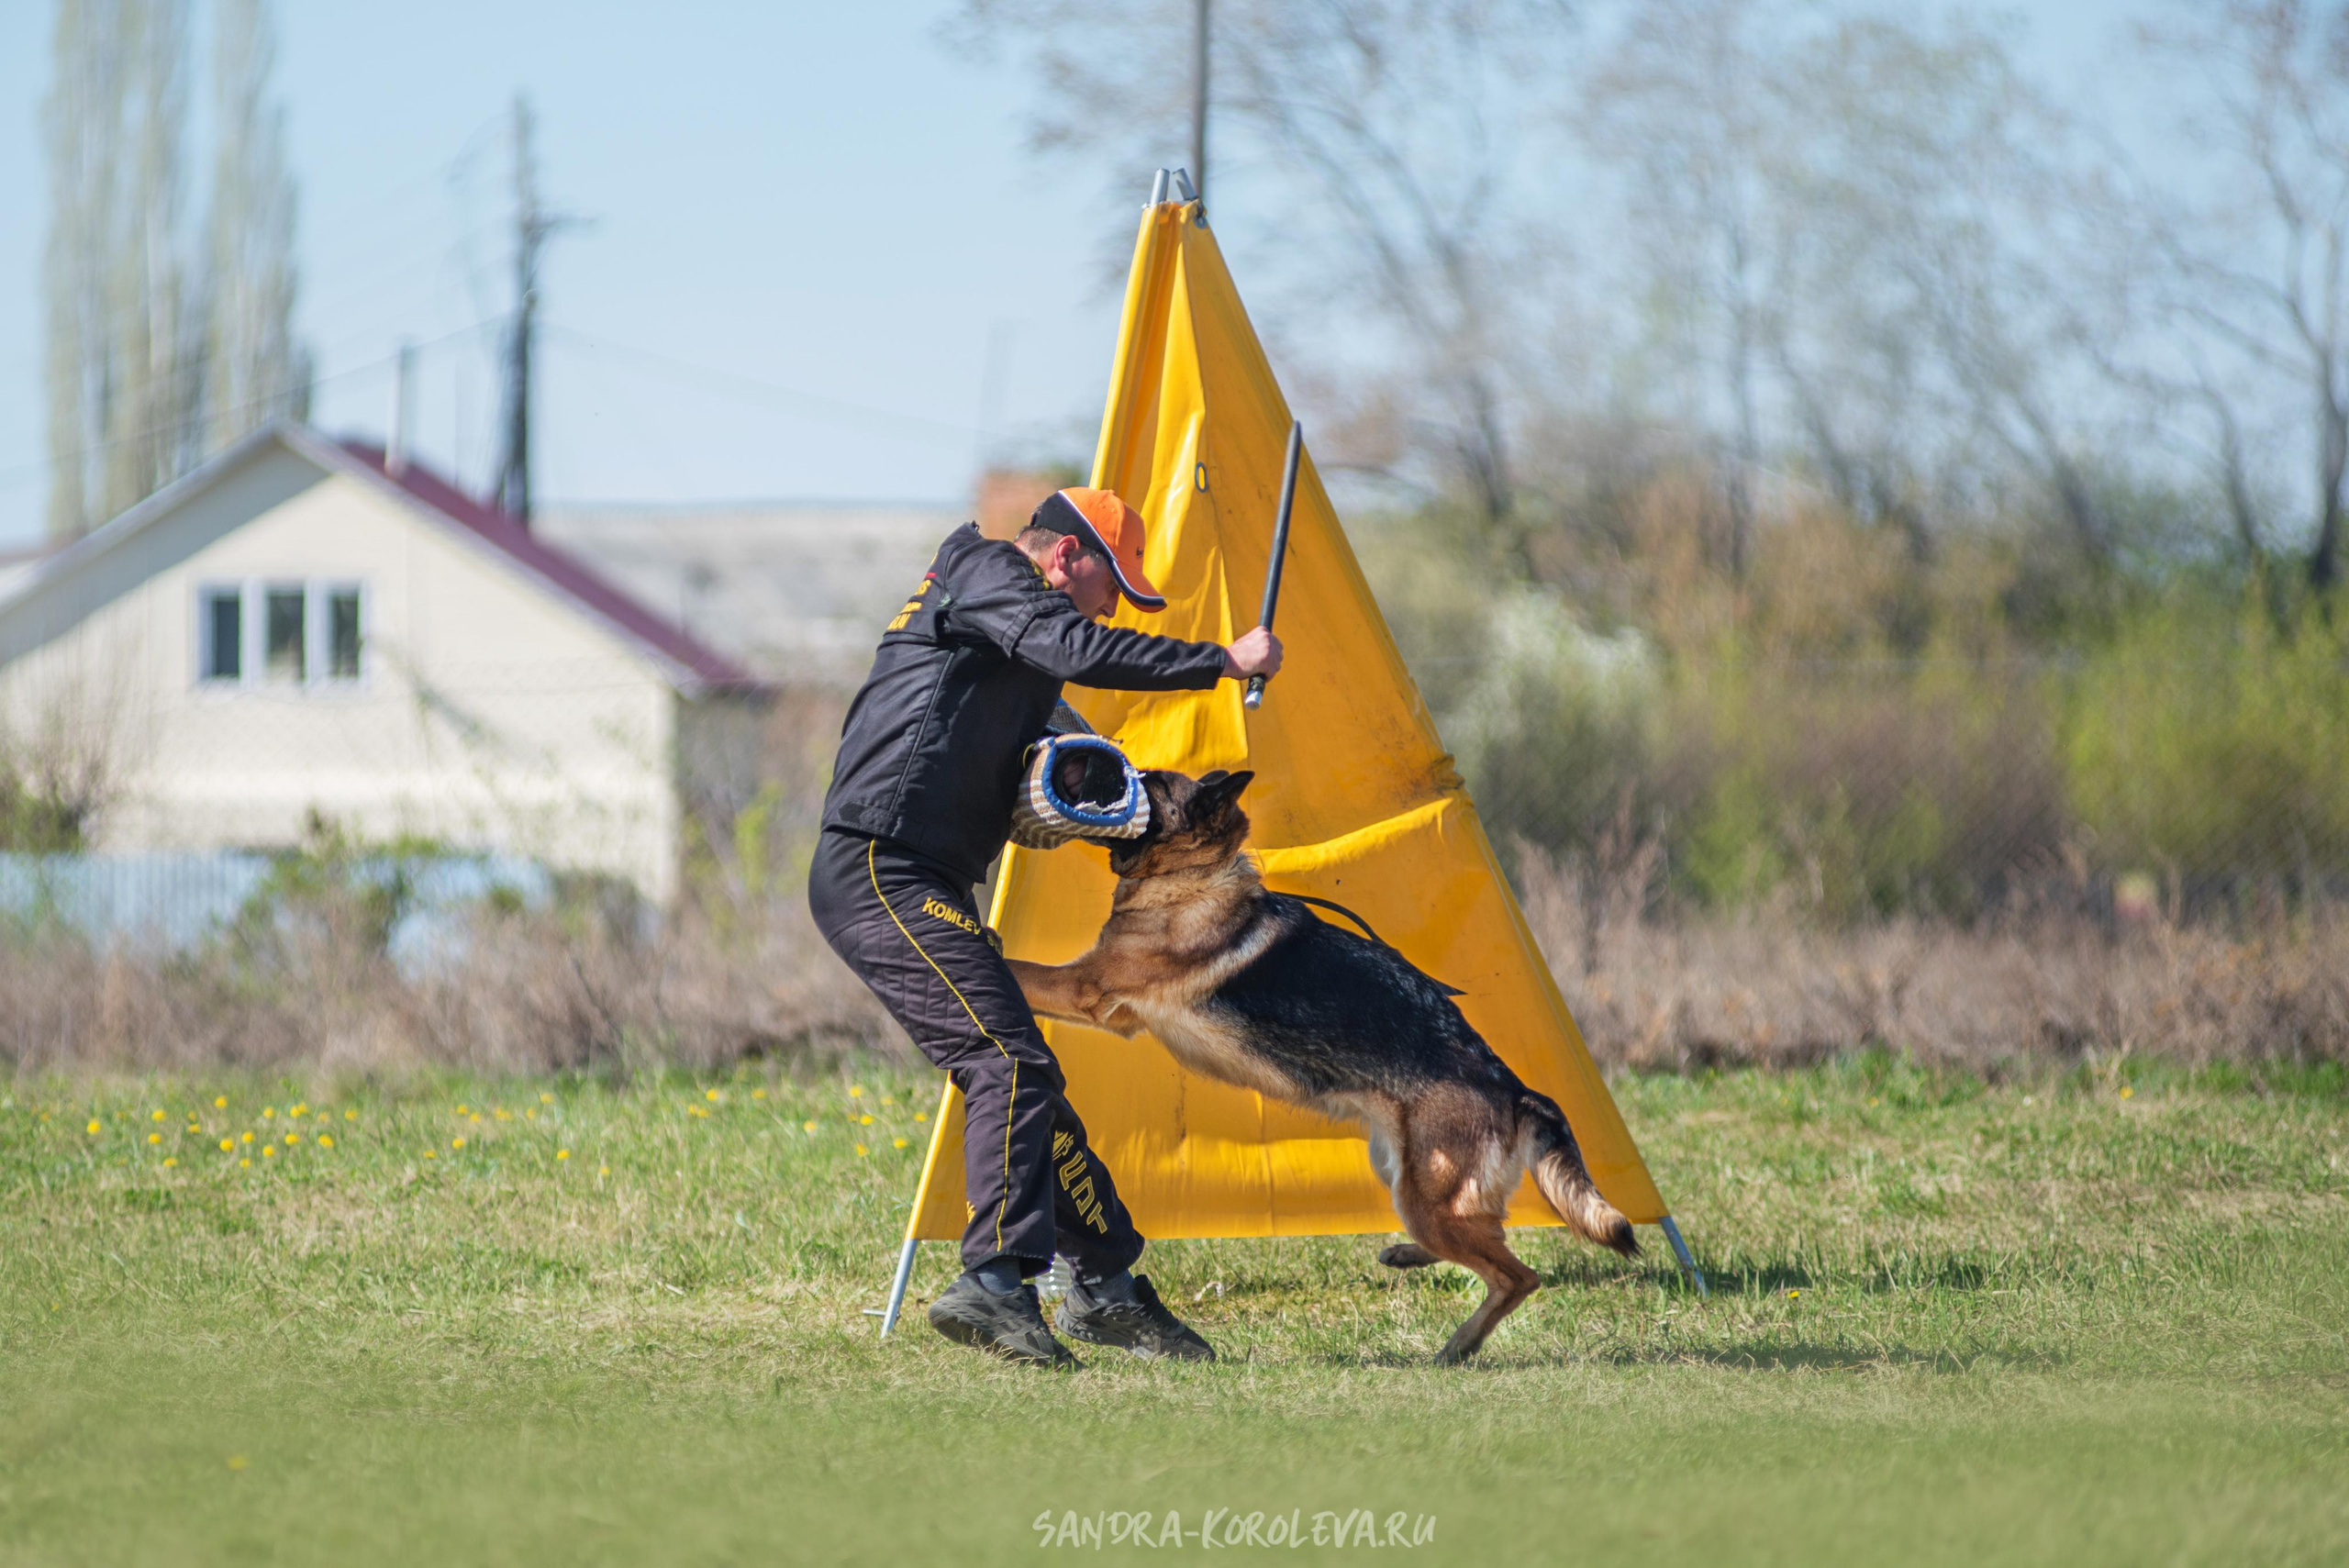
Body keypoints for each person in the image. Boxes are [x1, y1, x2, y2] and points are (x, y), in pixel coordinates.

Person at [808, 487, 1282, 1366]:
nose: (1110, 608)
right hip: (878, 867)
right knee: (1008, 1063)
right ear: (1064, 555)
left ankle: (1106, 1285)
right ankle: (992, 1281)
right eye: (1111, 586)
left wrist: (1164, 814)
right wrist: (1222, 658)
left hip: (927, 876)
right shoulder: (983, 569)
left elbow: (1085, 754)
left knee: (1029, 1083)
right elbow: (1071, 642)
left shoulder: (1016, 646)